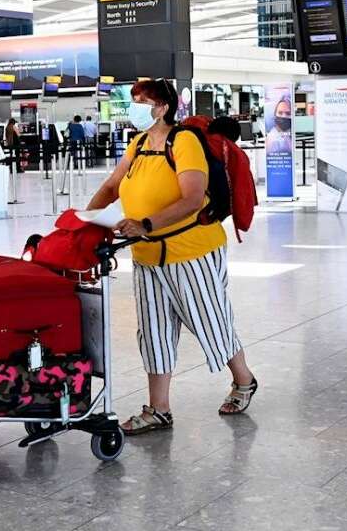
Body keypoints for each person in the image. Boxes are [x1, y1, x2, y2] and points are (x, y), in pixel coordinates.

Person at [86, 79, 256, 435]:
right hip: (147, 256)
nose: (132, 109)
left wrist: (146, 223)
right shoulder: (138, 144)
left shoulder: (185, 142)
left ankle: (244, 380)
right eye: (131, 102)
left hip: (191, 251)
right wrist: (84, 221)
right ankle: (158, 409)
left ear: (162, 107)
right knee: (154, 332)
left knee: (210, 320)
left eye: (141, 102)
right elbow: (111, 186)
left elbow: (193, 198)